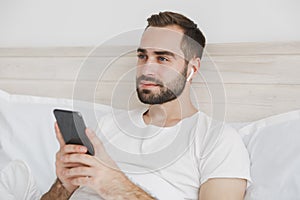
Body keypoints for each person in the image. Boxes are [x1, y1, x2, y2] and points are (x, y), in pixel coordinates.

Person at [42, 11, 251, 200]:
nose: (147, 69)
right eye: (143, 56)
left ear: (192, 69)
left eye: (162, 58)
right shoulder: (108, 125)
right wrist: (63, 185)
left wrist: (115, 185)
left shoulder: (217, 140)